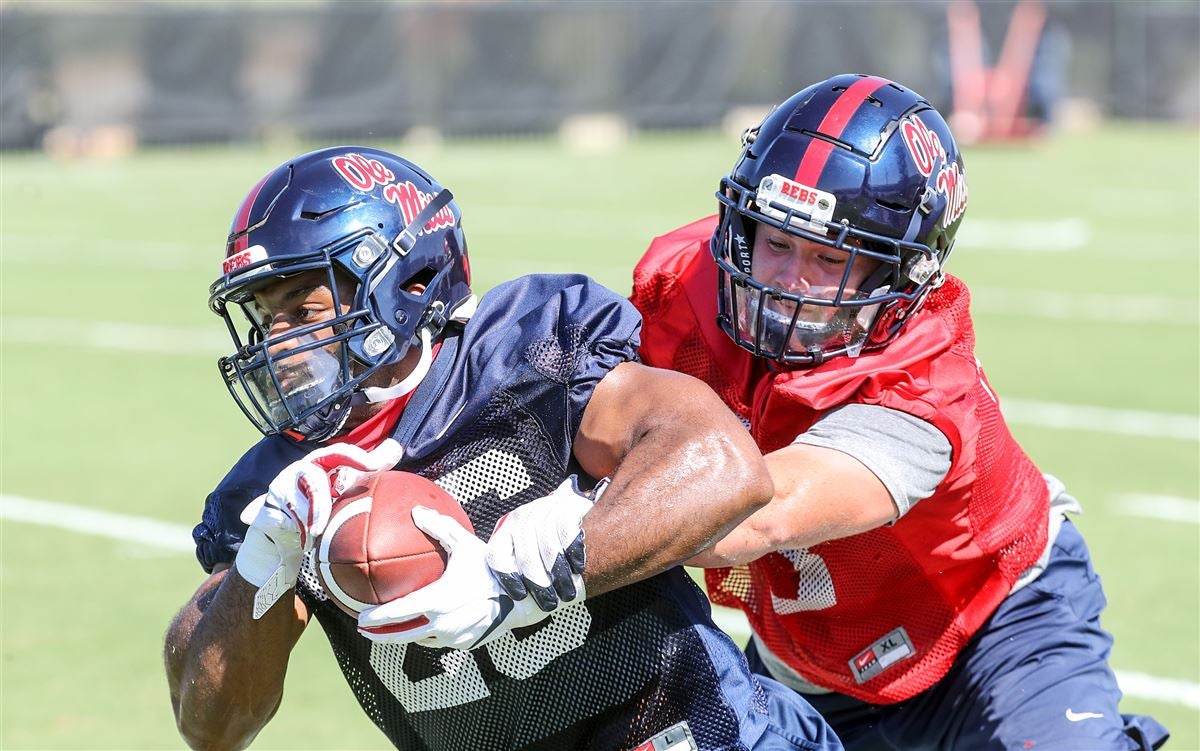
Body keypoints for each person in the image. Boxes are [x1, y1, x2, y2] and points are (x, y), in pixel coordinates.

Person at [163, 146, 842, 751]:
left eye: (302, 310)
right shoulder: (281, 485)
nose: (277, 346)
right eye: (266, 320)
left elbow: (724, 464)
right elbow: (211, 728)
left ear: (409, 282)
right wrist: (261, 562)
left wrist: (523, 577)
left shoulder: (527, 351)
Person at [623, 74, 1170, 750]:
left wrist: (567, 543)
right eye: (776, 241)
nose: (786, 281)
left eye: (829, 257)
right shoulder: (684, 289)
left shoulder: (921, 379)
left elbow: (758, 509)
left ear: (899, 277)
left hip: (991, 628)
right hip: (808, 661)